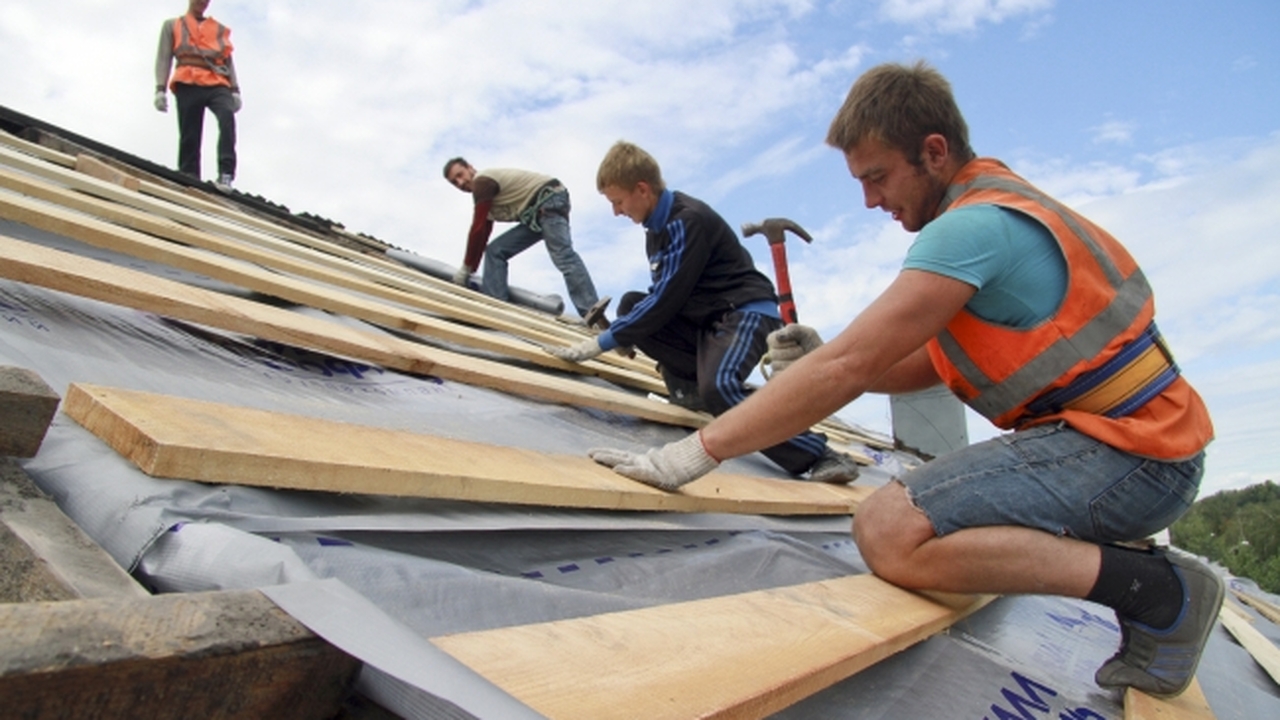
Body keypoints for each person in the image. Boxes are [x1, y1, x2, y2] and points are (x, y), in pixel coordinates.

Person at [587, 63, 1221, 699]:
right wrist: (824, 356)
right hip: (1141, 447)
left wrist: (696, 453)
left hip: (1131, 457)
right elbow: (922, 363)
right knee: (915, 514)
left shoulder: (969, 229)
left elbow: (850, 368)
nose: (870, 200)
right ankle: (1145, 582)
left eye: (877, 177)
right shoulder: (998, 202)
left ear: (934, 152)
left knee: (889, 530)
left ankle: (1159, 593)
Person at [547, 140, 860, 485]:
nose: (617, 212)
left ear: (642, 189)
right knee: (632, 306)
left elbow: (668, 297)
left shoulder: (687, 220)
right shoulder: (655, 231)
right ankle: (695, 390)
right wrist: (629, 328)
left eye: (618, 202)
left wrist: (604, 341)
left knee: (721, 387)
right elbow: (659, 299)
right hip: (709, 322)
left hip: (746, 314)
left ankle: (819, 453)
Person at [442, 158, 600, 318]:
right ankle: (497, 307)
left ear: (470, 167)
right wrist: (470, 269)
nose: (460, 182)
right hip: (535, 216)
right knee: (495, 251)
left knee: (563, 255)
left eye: (460, 175)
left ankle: (591, 311)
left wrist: (465, 269)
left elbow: (477, 229)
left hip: (548, 200)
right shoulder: (487, 201)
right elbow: (482, 236)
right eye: (455, 182)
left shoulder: (482, 182)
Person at [154, 0, 241, 191]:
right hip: (188, 79)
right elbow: (164, 57)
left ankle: (226, 174)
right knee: (190, 131)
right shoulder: (173, 25)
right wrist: (160, 89)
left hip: (217, 81)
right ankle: (189, 175)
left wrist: (235, 90)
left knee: (227, 117)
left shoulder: (218, 29)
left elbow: (227, 60)